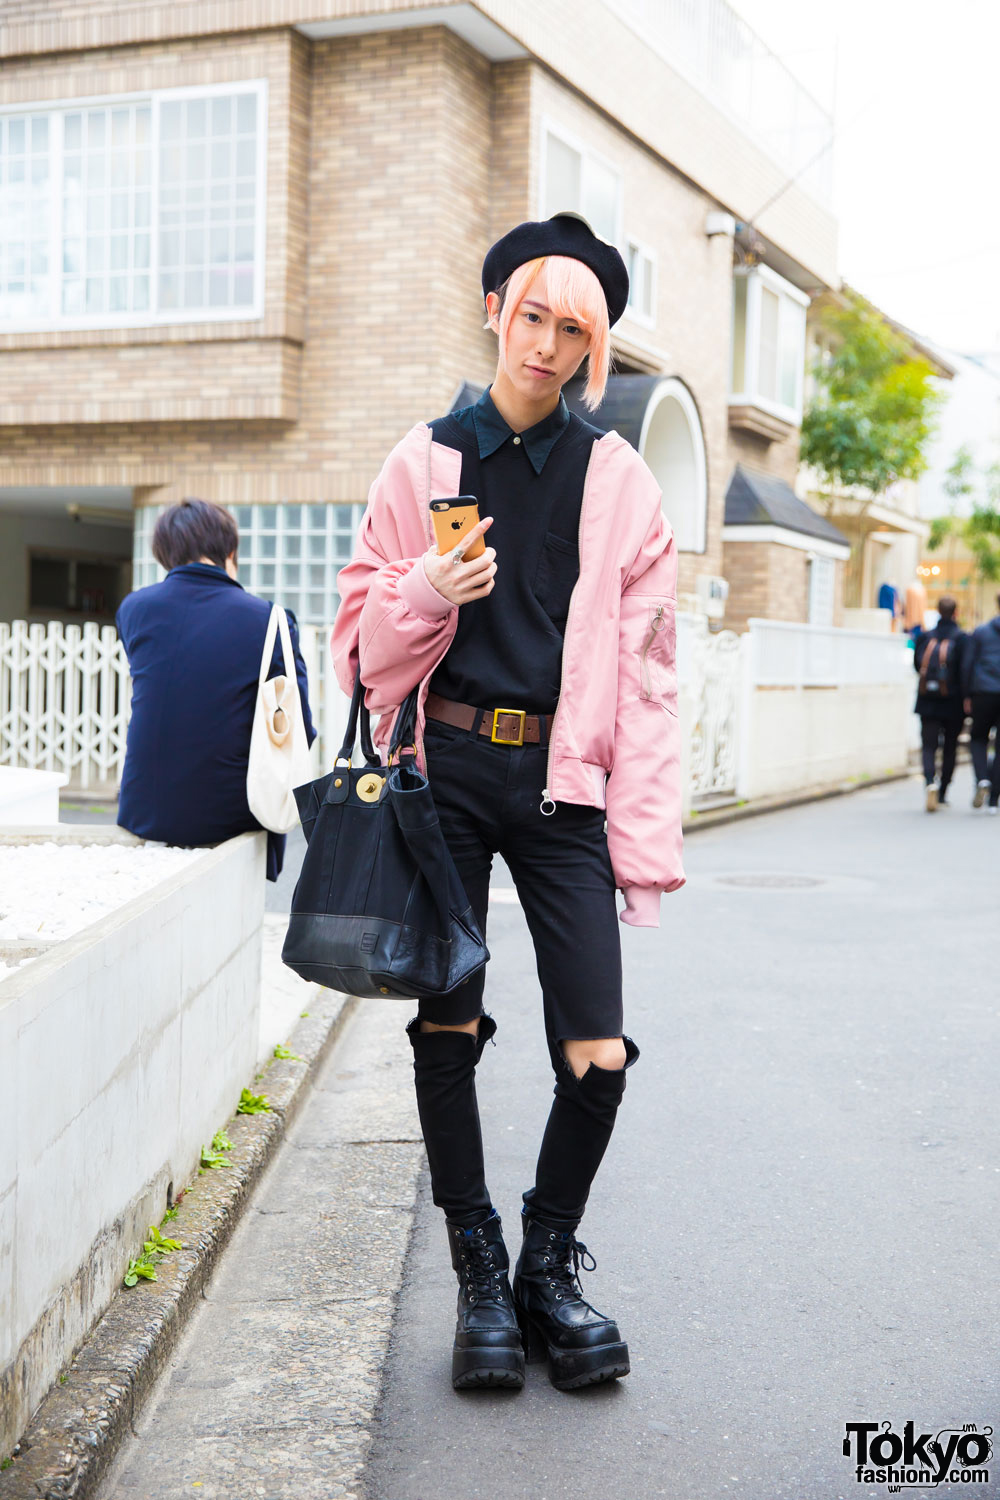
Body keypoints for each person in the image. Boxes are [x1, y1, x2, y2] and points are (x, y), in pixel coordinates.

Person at [331, 212, 683, 1394]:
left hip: (564, 786)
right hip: (444, 778)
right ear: (496, 311)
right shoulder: (424, 461)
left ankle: (544, 1262)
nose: (544, 342)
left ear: (594, 351)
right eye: (531, 314)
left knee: (596, 1049)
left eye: (572, 328)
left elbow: (646, 675)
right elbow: (356, 656)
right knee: (448, 1026)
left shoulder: (618, 480)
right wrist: (424, 587)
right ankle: (477, 1274)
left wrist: (641, 844)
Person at [116, 498, 316, 878]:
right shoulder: (268, 620)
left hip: (146, 807)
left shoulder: (133, 609)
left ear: (164, 554)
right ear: (230, 550)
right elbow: (299, 724)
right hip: (233, 813)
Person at [912, 596, 966, 811]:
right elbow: (965, 670)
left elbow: (917, 665)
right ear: (956, 612)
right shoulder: (961, 639)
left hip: (927, 700)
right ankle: (943, 791)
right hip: (953, 701)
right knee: (950, 747)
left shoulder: (925, 637)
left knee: (928, 745)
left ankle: (929, 783)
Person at [962, 590, 1000, 813]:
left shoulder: (981, 632)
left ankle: (982, 778)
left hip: (983, 692)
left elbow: (967, 665)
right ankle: (994, 799)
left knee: (977, 738)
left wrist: (967, 694)